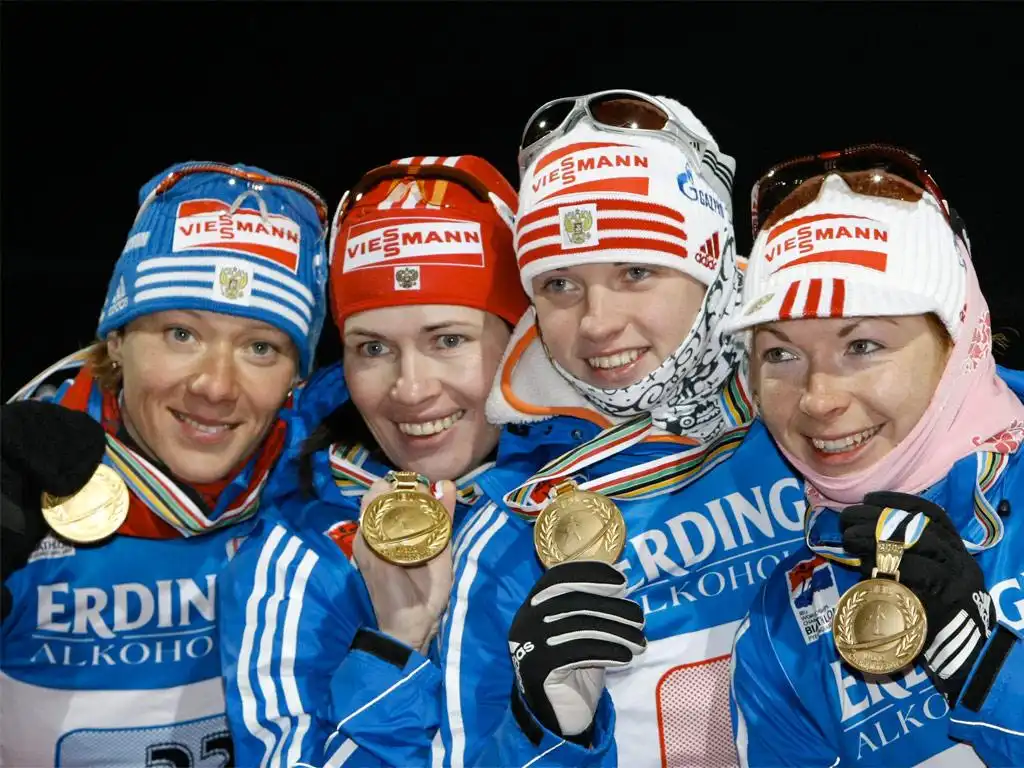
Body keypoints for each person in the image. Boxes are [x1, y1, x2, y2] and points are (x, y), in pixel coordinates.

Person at [440, 91, 806, 767]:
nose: (597, 322)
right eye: (559, 285)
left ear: (712, 263)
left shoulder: (830, 429)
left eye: (637, 272)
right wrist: (551, 731)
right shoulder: (511, 529)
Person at [0, 161, 330, 767]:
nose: (215, 386)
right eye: (181, 334)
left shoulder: (327, 491)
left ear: (295, 376)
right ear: (117, 340)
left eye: (261, 347)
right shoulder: (19, 478)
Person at [216, 155, 530, 767]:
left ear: (520, 337)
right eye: (374, 348)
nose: (410, 389)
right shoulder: (296, 565)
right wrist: (394, 647)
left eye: (448, 340)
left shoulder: (597, 496)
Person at [727, 144, 1024, 767]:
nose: (818, 399)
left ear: (959, 341)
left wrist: (988, 671)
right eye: (780, 353)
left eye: (861, 344)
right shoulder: (781, 631)